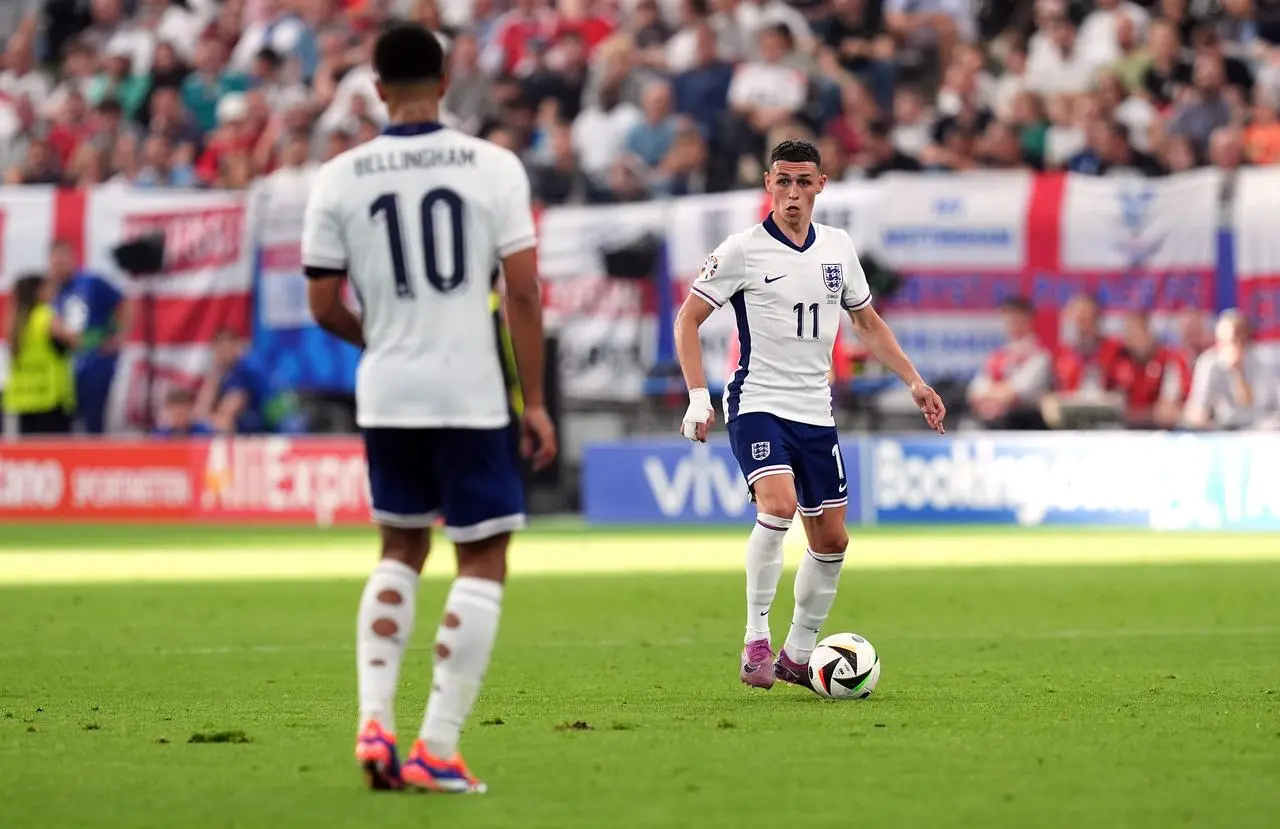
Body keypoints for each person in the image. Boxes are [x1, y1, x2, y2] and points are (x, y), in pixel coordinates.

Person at [301, 22, 556, 795]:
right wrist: (535, 399)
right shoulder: (493, 166)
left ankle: (374, 719)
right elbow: (521, 290)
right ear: (445, 83)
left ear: (376, 89)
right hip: (470, 390)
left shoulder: (340, 175)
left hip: (387, 389)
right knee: (480, 555)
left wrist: (378, 336)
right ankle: (436, 745)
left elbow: (321, 302)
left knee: (398, 547)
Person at [672, 139, 945, 692]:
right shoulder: (741, 249)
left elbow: (867, 323)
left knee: (832, 541)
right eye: (782, 182)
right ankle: (756, 640)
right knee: (778, 505)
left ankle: (798, 654)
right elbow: (687, 321)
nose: (792, 194)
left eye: (803, 181)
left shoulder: (838, 248)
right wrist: (699, 394)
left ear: (822, 183)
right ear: (768, 185)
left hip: (815, 410)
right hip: (757, 401)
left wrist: (914, 382)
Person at [46, 239, 132, 435]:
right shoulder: (55, 291)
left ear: (72, 259)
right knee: (72, 420)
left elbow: (125, 302)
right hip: (70, 364)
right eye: (55, 262)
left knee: (95, 420)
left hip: (97, 360)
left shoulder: (91, 282)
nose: (59, 266)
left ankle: (96, 462)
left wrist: (120, 336)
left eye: (63, 260)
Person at [3, 273, 77, 436]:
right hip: (50, 397)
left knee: (31, 452)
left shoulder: (15, 320)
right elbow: (74, 341)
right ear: (39, 291)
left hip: (23, 397)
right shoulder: (45, 315)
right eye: (49, 288)